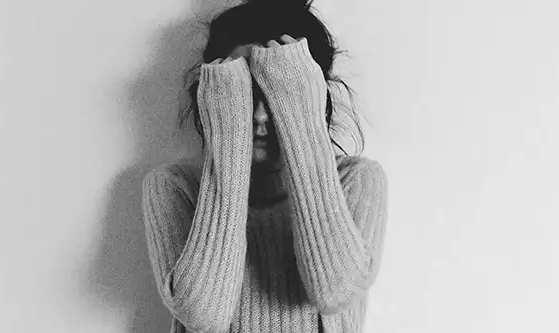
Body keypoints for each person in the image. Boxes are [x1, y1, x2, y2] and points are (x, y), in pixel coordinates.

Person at [141, 0, 388, 332]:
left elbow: (334, 291)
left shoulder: (356, 181)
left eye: (276, 93)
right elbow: (203, 315)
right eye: (243, 92)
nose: (259, 116)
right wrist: (229, 138)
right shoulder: (175, 187)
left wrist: (301, 121)